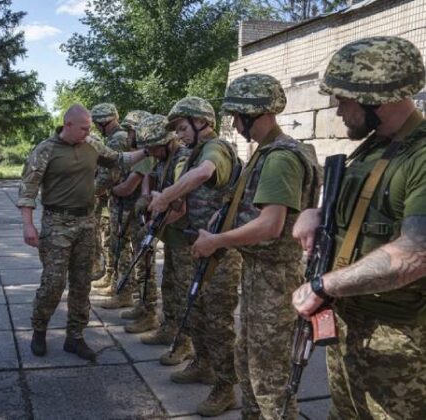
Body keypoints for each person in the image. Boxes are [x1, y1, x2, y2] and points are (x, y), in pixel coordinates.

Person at [291, 36, 426, 419]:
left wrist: (323, 285)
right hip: (354, 323)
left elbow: (415, 255)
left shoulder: (420, 156)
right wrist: (314, 213)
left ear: (375, 98)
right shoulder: (374, 148)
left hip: (401, 341)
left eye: (343, 99)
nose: (337, 111)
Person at [191, 74, 321, 419]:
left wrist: (215, 242)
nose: (233, 122)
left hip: (274, 279)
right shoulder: (267, 153)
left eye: (237, 114)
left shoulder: (279, 157)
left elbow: (270, 225)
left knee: (269, 377)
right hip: (260, 274)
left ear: (254, 113)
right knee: (248, 363)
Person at [18, 104, 148, 361]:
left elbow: (119, 159)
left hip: (86, 223)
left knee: (81, 284)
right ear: (68, 125)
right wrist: (28, 225)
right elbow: (27, 189)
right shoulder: (46, 150)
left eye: (90, 128)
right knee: (54, 283)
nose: (89, 133)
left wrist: (148, 150)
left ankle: (75, 336)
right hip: (57, 223)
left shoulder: (92, 145)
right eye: (84, 128)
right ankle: (39, 329)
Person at [148, 97, 242, 416]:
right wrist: (160, 220)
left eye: (182, 127)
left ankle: (226, 386)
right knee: (197, 313)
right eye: (176, 129)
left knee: (218, 321)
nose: (179, 134)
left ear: (202, 122)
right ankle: (203, 364)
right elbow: (187, 204)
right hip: (198, 245)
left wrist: (165, 198)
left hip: (221, 251)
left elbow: (204, 174)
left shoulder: (216, 149)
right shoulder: (191, 154)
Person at [135, 115, 193, 353]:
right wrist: (147, 194)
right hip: (173, 235)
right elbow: (151, 174)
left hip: (186, 237)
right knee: (169, 285)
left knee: (183, 292)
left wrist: (154, 228)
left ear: (167, 141)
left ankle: (184, 343)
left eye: (153, 148)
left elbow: (181, 205)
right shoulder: (163, 158)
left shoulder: (182, 159)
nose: (151, 153)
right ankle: (169, 329)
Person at [108, 110, 160, 334]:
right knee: (140, 263)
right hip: (137, 215)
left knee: (145, 266)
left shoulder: (146, 156)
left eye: (131, 130)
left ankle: (148, 311)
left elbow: (129, 186)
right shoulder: (141, 154)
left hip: (142, 218)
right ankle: (142, 306)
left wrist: (108, 189)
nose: (127, 135)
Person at [90, 102, 123, 288]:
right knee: (114, 242)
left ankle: (120, 288)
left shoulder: (116, 139)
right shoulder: (115, 138)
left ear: (104, 122)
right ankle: (112, 279)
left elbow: (107, 175)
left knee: (118, 244)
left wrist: (91, 194)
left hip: (122, 199)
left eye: (96, 123)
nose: (95, 127)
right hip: (116, 198)